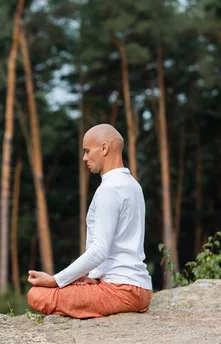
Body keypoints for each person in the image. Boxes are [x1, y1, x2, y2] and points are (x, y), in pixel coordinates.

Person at [27, 123, 153, 319]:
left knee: (37, 294)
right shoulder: (132, 184)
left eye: (87, 151)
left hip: (122, 289)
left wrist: (55, 280)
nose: (84, 158)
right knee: (61, 289)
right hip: (137, 286)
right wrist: (92, 278)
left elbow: (99, 250)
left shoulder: (110, 190)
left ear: (104, 148)